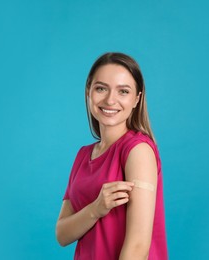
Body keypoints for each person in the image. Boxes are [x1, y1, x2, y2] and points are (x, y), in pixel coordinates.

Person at [56, 52, 168, 260]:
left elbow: (137, 246)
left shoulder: (138, 150)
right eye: (101, 88)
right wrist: (97, 209)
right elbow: (62, 234)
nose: (110, 100)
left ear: (137, 99)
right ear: (89, 91)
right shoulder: (83, 156)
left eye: (123, 91)